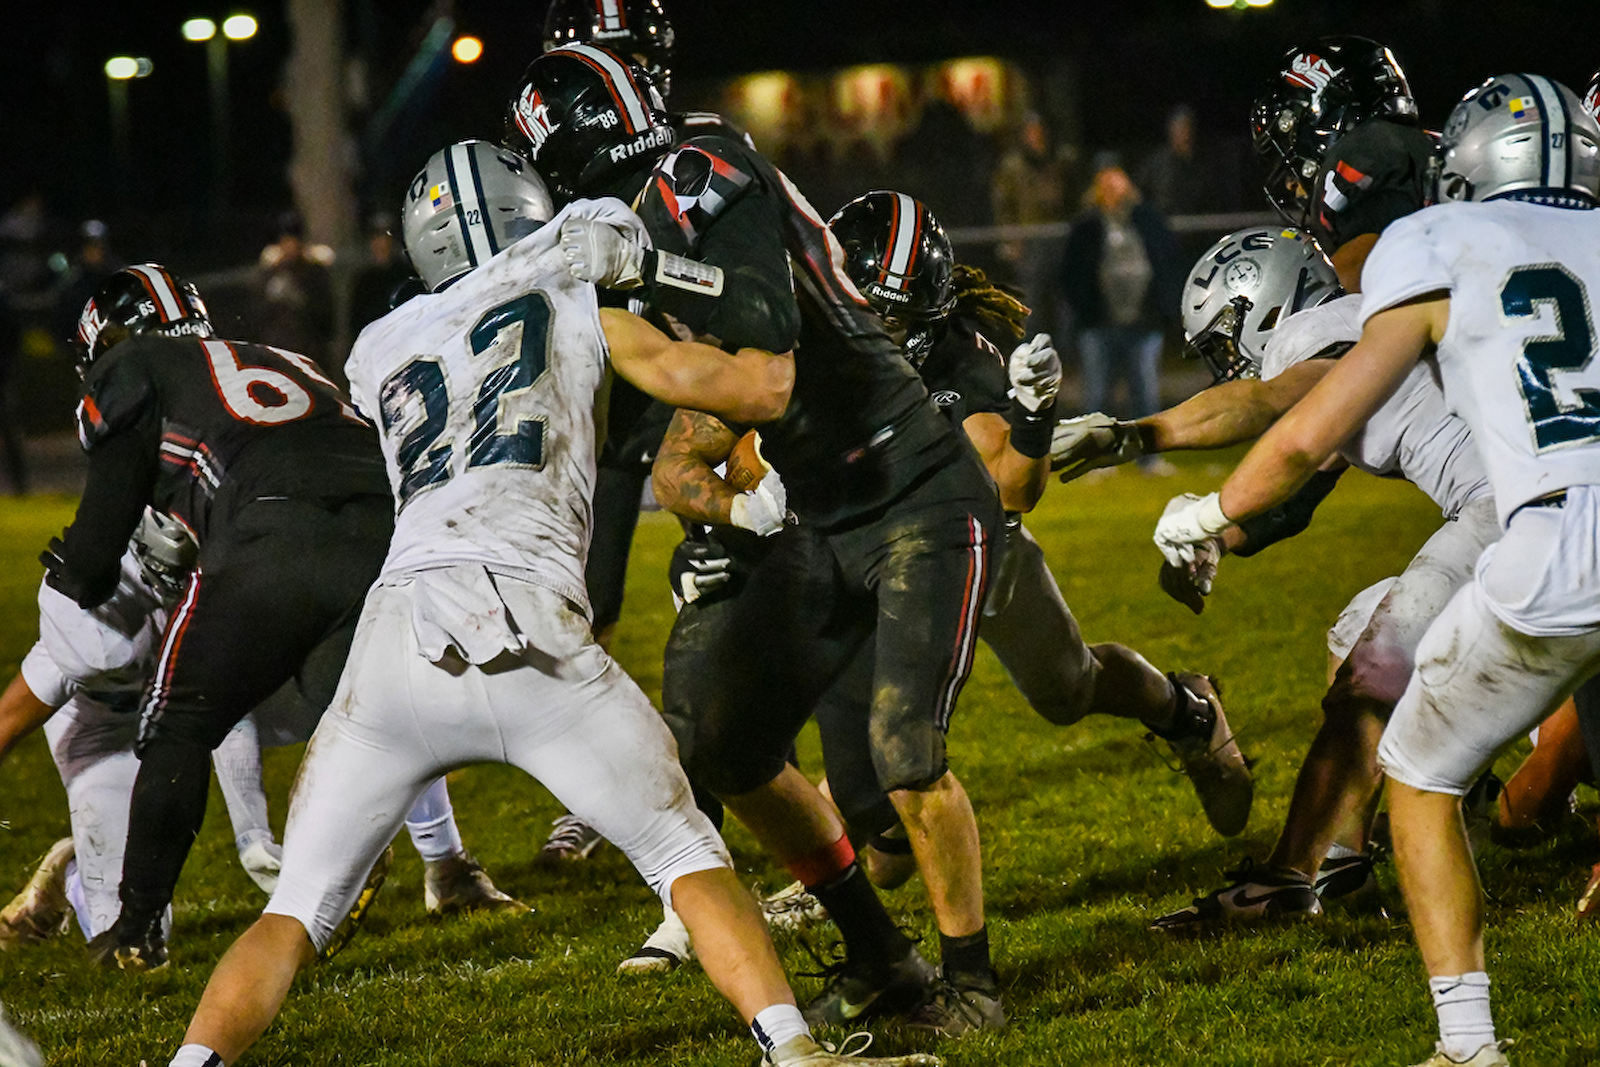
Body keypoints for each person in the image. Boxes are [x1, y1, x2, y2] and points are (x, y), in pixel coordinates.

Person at [160, 138, 934, 1067]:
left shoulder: (380, 346)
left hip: (399, 635)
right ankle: (792, 1048)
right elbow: (734, 376)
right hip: (531, 626)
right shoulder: (574, 272)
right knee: (686, 855)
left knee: (294, 910)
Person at [624, 191, 1252, 977]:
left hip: (968, 539)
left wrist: (1032, 419)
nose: (882, 335)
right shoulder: (789, 331)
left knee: (1066, 686)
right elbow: (678, 463)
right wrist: (739, 514)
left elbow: (1012, 486)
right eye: (869, 315)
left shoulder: (960, 354)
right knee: (877, 816)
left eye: (898, 320)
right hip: (859, 553)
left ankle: (1186, 710)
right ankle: (851, 868)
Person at [508, 46, 1004, 1035]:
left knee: (903, 749)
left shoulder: (698, 172)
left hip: (912, 483)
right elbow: (673, 389)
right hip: (819, 507)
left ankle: (975, 984)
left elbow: (765, 370)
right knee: (728, 746)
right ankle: (881, 956)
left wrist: (639, 276)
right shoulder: (638, 214)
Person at [1152, 74, 1600, 1067]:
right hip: (1545, 525)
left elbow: (1296, 428)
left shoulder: (1427, 249)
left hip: (1545, 535)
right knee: (1371, 628)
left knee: (1417, 765)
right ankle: (1390, 843)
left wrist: (1202, 505)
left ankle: (1465, 1040)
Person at [44, 262, 395, 971]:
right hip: (389, 529)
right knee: (352, 719)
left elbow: (96, 548)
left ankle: (136, 929)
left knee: (178, 720)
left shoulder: (133, 368)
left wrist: (78, 569)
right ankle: (351, 861)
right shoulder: (282, 357)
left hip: (274, 529)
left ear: (108, 340)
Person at [1058, 153, 1182, 471]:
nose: (1111, 187)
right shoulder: (1086, 226)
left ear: (1127, 183)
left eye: (1116, 179)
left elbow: (1168, 262)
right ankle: (1097, 460)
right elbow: (1070, 274)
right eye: (1105, 182)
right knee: (1097, 398)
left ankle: (1149, 459)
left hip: (1143, 322)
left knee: (1146, 396)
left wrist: (1163, 307)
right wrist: (1084, 307)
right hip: (1099, 322)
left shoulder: (1148, 219)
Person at [990, 112, 1070, 340]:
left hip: (1057, 235)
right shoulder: (1013, 166)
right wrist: (1010, 239)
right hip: (1028, 239)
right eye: (1031, 132)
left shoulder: (1059, 161)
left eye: (1039, 131)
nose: (1036, 136)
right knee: (1030, 298)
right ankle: (1029, 346)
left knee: (1064, 299)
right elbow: (1003, 205)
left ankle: (1067, 348)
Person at [253, 212, 335, 372]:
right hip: (278, 349)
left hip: (310, 350)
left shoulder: (314, 271)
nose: (290, 246)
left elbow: (325, 315)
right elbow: (258, 313)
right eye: (285, 241)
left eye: (293, 240)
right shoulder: (270, 273)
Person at [347, 214, 414, 333]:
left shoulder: (406, 277)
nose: (380, 244)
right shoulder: (364, 282)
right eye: (376, 238)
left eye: (385, 239)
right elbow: (356, 323)